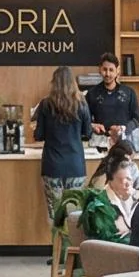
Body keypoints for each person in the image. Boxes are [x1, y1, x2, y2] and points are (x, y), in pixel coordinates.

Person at [34, 65, 94, 231]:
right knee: (74, 215)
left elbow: (38, 135)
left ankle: (57, 253)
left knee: (55, 214)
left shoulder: (46, 105)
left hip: (52, 166)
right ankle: (72, 255)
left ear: (54, 83)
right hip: (75, 165)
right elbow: (88, 133)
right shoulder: (81, 103)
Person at [90, 133, 139, 216]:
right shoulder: (101, 178)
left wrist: (134, 193)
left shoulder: (132, 168)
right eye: (129, 161)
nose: (131, 164)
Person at [81, 51, 139, 131]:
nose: (107, 74)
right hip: (100, 140)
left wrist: (123, 129)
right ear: (100, 69)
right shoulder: (91, 94)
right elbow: (84, 120)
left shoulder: (129, 93)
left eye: (111, 70)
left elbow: (136, 118)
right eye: (105, 69)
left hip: (124, 140)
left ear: (117, 70)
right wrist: (93, 126)